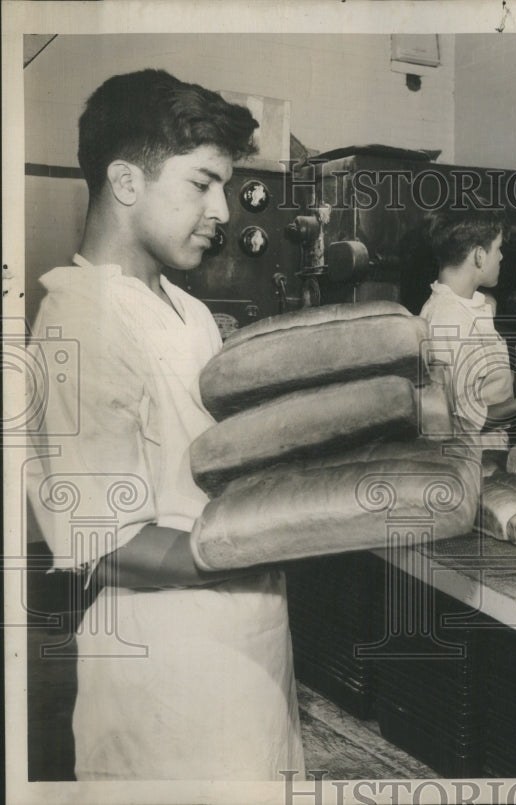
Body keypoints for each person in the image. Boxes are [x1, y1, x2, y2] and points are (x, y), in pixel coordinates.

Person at [26, 69, 304, 779]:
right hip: (164, 677)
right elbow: (104, 541)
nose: (222, 209)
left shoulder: (191, 311)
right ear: (126, 182)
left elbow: (214, 466)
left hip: (250, 655)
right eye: (201, 183)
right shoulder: (83, 319)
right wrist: (267, 535)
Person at [419, 203, 516, 434]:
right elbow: (458, 417)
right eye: (498, 248)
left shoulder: (467, 307)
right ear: (479, 256)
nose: (501, 256)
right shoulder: (446, 317)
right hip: (473, 457)